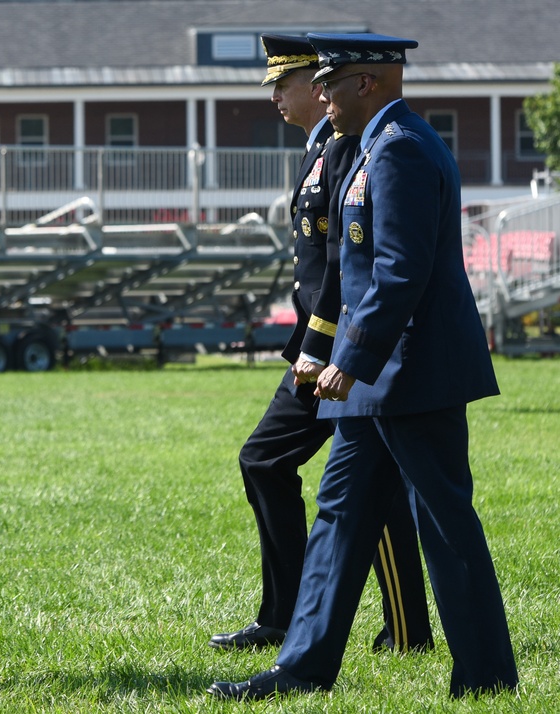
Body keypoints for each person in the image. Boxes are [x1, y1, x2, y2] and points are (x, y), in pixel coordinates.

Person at [208, 33, 518, 700]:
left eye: (331, 82)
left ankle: (487, 677)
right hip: (374, 383)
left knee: (444, 524)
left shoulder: (401, 148)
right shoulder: (369, 147)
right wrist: (332, 355)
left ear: (369, 83)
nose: (320, 94)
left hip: (413, 376)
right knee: (339, 517)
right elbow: (348, 273)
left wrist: (351, 359)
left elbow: (398, 271)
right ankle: (301, 670)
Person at [208, 34, 431, 654]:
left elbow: (344, 262)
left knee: (289, 465)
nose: (276, 95)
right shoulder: (322, 149)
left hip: (335, 348)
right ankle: (391, 626)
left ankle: (365, 624)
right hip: (322, 343)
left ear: (319, 84)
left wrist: (320, 344)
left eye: (285, 82)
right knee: (361, 480)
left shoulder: (346, 149)